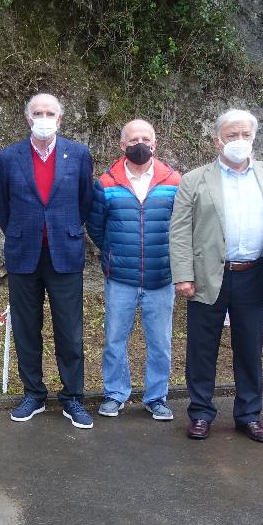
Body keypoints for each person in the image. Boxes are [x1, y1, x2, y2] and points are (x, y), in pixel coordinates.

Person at [169, 108, 263, 442]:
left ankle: (249, 415)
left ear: (254, 138)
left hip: (253, 274)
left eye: (245, 135)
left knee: (250, 348)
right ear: (217, 141)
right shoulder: (195, 179)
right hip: (208, 274)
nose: (239, 141)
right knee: (201, 348)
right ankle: (200, 413)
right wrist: (183, 275)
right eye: (231, 135)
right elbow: (179, 231)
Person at [0, 93, 95, 427]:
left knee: (70, 331)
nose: (44, 118)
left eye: (50, 113)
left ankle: (73, 398)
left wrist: (64, 229)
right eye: (38, 112)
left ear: (60, 119)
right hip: (24, 253)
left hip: (65, 253)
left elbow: (85, 201)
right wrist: (23, 232)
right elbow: (1, 205)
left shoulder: (78, 154)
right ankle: (33, 394)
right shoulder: (9, 157)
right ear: (28, 118)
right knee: (26, 329)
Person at [85, 118, 181, 421]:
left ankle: (156, 397)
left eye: (145, 139)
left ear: (155, 143)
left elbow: (181, 226)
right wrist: (114, 252)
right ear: (122, 145)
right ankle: (115, 394)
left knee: (161, 343)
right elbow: (96, 226)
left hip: (161, 276)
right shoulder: (106, 183)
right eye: (133, 139)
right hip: (120, 278)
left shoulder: (174, 181)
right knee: (114, 340)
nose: (140, 144)